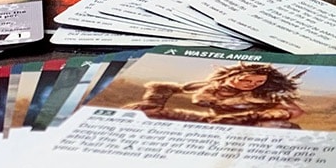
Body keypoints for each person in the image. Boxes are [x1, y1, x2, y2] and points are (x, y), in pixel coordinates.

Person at [127, 63, 305, 128]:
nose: (251, 84)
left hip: (248, 123)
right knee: (143, 111)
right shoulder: (212, 88)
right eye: (246, 79)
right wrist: (154, 101)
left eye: (258, 82)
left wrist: (272, 113)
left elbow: (293, 110)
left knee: (284, 127)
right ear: (232, 76)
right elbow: (200, 99)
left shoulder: (263, 95)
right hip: (211, 122)